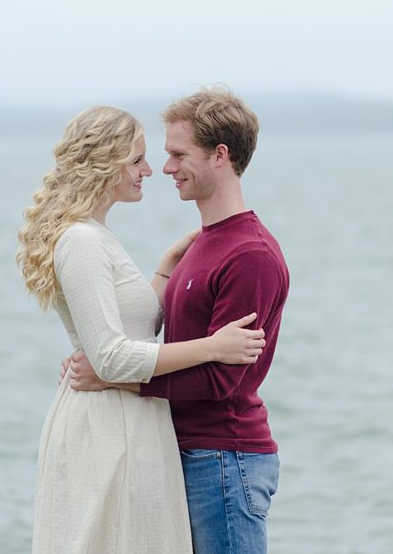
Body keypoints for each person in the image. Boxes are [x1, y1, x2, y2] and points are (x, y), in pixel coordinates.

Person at [18, 105, 266, 553]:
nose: (150, 170)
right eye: (138, 160)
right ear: (106, 162)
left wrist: (167, 267)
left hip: (130, 419)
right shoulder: (82, 241)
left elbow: (131, 328)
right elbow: (112, 356)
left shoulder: (97, 234)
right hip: (109, 429)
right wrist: (211, 347)